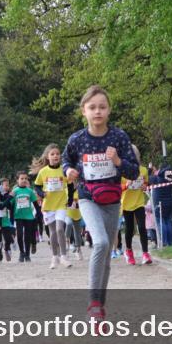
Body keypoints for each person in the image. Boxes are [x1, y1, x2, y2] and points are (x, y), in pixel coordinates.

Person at [63, 85, 139, 329]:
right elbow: (66, 160)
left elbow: (134, 171)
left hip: (112, 200)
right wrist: (68, 170)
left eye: (102, 107)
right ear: (83, 111)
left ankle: (99, 307)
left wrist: (117, 161)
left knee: (105, 257)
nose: (97, 111)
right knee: (102, 243)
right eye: (92, 107)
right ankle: (93, 304)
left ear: (109, 110)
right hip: (87, 198)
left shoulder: (119, 137)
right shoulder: (77, 139)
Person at [33, 145, 71, 269]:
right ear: (47, 157)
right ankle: (55, 257)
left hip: (61, 204)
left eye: (57, 154)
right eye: (52, 154)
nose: (55, 156)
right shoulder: (43, 172)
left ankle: (64, 256)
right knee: (53, 232)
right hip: (48, 206)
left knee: (60, 229)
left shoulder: (64, 170)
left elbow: (70, 185)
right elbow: (37, 186)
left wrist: (70, 199)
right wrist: (41, 193)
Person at [120, 145, 152, 265]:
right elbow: (118, 188)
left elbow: (146, 183)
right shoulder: (122, 172)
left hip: (139, 202)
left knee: (142, 227)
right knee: (130, 230)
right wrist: (126, 185)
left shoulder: (143, 170)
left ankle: (145, 253)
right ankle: (128, 251)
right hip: (127, 204)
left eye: (136, 156)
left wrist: (145, 186)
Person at [148, 163, 172, 247]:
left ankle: (164, 242)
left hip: (159, 204)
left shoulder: (156, 178)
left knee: (160, 222)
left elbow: (147, 178)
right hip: (169, 203)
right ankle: (170, 242)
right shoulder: (170, 179)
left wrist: (150, 169)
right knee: (168, 221)